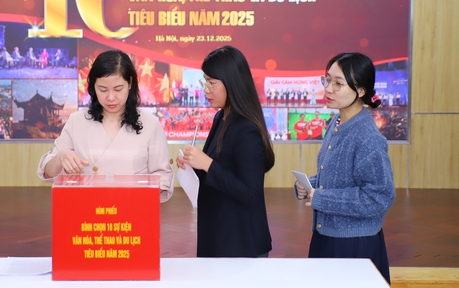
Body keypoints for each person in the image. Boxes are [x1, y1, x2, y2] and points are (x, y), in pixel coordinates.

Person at [294, 52, 395, 284]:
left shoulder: (368, 138)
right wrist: (310, 184)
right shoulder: (337, 122)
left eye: (338, 84)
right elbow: (342, 175)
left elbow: (379, 197)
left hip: (353, 246)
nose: (328, 89)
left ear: (360, 90)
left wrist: (322, 198)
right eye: (327, 80)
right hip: (327, 235)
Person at [37, 49, 174, 202]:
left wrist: (134, 197)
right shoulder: (77, 121)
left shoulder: (150, 124)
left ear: (130, 83)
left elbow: (163, 176)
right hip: (89, 209)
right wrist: (60, 157)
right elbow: (47, 172)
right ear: (93, 86)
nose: (110, 97)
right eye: (102, 89)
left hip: (133, 209)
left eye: (118, 89)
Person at [177, 46, 275, 257]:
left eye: (212, 83)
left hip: (241, 243)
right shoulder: (220, 117)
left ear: (232, 82)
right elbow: (220, 171)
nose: (206, 90)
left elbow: (250, 194)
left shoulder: (247, 129)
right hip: (218, 233)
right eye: (205, 82)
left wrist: (207, 164)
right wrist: (193, 166)